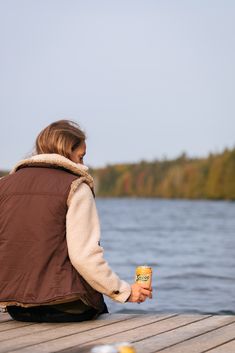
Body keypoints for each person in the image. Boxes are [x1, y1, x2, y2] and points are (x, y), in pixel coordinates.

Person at [0, 120, 152, 323]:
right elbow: (84, 256)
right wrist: (125, 292)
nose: (83, 165)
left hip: (17, 308)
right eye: (81, 157)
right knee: (99, 311)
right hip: (68, 306)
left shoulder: (4, 186)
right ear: (66, 150)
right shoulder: (75, 187)